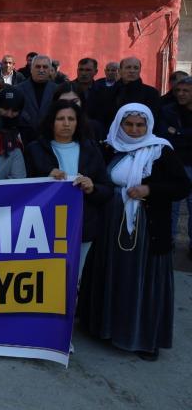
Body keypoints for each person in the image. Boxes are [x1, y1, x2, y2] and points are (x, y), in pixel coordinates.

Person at [79, 103, 191, 361]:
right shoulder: (108, 147)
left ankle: (143, 339)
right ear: (119, 124)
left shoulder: (160, 150)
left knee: (139, 280)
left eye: (140, 125)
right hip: (110, 225)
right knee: (110, 274)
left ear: (148, 125)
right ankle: (103, 328)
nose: (134, 129)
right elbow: (96, 178)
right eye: (128, 124)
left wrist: (149, 190)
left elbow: (181, 186)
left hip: (145, 229)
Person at [24, 101, 112, 280]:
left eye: (71, 119)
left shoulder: (91, 150)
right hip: (43, 228)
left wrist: (92, 188)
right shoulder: (34, 149)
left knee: (74, 280)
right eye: (60, 119)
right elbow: (22, 188)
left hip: (81, 228)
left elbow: (107, 189)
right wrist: (45, 177)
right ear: (51, 122)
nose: (66, 123)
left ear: (78, 122)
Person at [156, 76, 192, 253]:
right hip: (174, 163)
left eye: (186, 91)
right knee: (173, 207)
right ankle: (168, 242)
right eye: (178, 90)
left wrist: (178, 133)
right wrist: (180, 135)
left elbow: (176, 135)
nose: (181, 94)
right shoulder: (168, 110)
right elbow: (165, 135)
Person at [15, 55, 56, 136]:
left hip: (49, 137)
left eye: (45, 67)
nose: (41, 70)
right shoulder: (18, 90)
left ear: (50, 70)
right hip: (25, 137)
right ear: (31, 69)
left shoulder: (57, 90)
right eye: (38, 67)